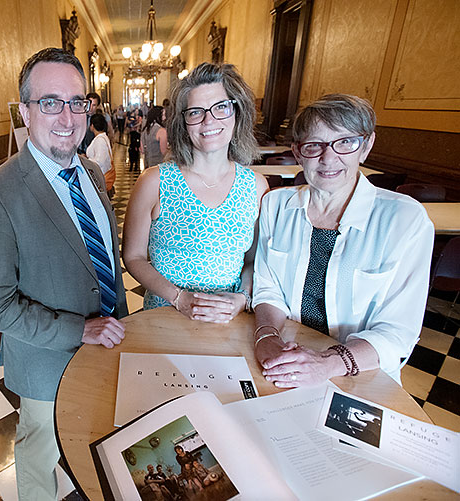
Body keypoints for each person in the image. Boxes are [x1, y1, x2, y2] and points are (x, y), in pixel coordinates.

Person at [0, 47, 128, 501]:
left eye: (77, 102)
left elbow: (103, 260)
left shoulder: (93, 172)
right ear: (25, 111)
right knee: (41, 454)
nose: (67, 116)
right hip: (47, 360)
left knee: (96, 437)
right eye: (50, 102)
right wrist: (81, 330)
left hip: (110, 339)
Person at [252, 94, 434, 387]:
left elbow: (399, 331)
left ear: (366, 146)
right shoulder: (276, 205)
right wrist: (267, 337)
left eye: (345, 142)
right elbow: (267, 288)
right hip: (287, 358)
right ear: (298, 152)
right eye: (314, 145)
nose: (328, 158)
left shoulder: (404, 219)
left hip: (364, 373)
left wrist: (326, 363)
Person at [123, 63, 268, 319]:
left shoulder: (256, 186)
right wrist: (179, 298)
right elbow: (133, 257)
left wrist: (243, 297)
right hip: (165, 317)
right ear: (183, 122)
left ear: (237, 112)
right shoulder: (155, 182)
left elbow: (253, 261)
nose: (208, 120)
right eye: (196, 112)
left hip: (228, 322)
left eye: (221, 107)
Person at [86, 113, 115, 198]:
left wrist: (86, 161)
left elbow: (99, 162)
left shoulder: (100, 140)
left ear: (92, 125)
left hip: (100, 179)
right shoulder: (103, 137)